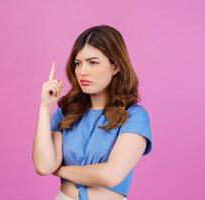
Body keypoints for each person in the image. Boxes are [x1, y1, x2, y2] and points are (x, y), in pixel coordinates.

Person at [33, 25, 153, 200]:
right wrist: (45, 108)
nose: (83, 71)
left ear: (115, 67)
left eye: (93, 62)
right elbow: (44, 166)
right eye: (78, 63)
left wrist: (60, 170)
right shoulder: (65, 112)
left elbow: (110, 175)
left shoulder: (134, 116)